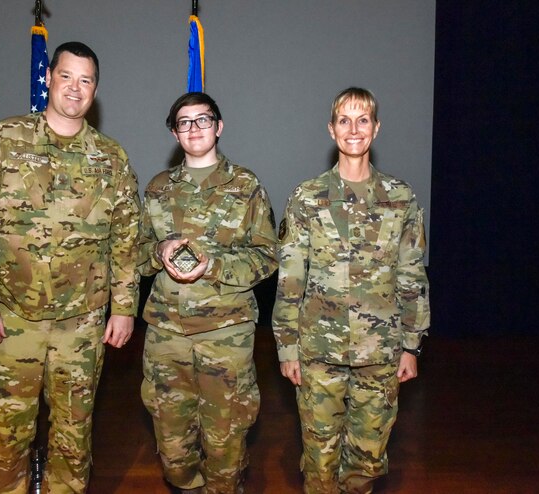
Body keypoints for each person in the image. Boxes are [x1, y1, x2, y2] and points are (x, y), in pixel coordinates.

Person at [0, 41, 140, 493]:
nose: (75, 88)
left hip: (83, 323)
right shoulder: (5, 140)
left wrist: (124, 308)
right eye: (67, 76)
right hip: (11, 318)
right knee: (7, 434)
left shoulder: (111, 157)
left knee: (74, 436)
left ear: (95, 89)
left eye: (86, 80)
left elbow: (126, 238)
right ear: (49, 78)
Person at [272, 87, 430, 494]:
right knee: (319, 458)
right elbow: (291, 278)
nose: (354, 129)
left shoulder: (400, 198)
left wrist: (411, 346)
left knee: (367, 460)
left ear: (376, 128)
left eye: (363, 120)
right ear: (332, 129)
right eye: (344, 120)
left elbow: (411, 274)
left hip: (380, 352)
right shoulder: (307, 197)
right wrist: (287, 347)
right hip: (318, 351)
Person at [137, 92, 278, 493]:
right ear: (174, 133)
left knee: (225, 439)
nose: (194, 128)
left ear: (219, 127)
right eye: (184, 122)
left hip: (225, 334)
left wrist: (213, 265)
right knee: (173, 447)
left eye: (203, 119)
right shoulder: (158, 188)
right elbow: (135, 254)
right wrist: (159, 251)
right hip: (166, 334)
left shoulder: (246, 186)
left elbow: (267, 257)